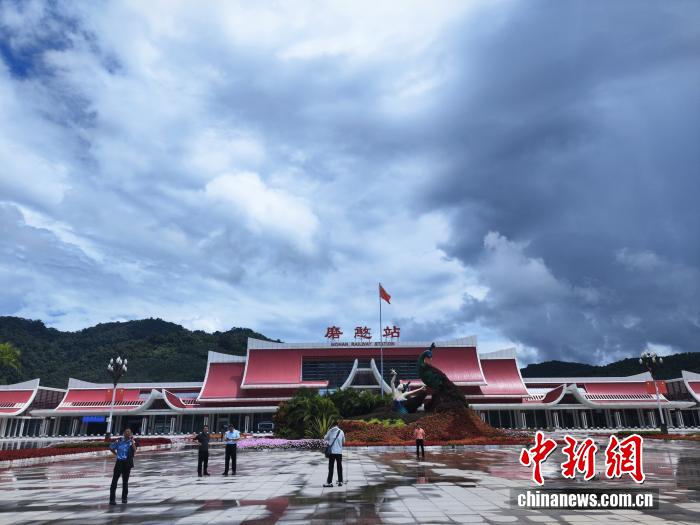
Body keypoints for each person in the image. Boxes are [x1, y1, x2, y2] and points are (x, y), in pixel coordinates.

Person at [109, 428, 137, 505]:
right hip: (119, 462)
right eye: (126, 432)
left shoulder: (131, 442)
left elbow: (135, 450)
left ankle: (124, 498)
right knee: (114, 481)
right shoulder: (119, 441)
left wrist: (132, 441)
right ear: (124, 433)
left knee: (125, 482)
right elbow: (111, 447)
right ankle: (112, 500)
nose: (128, 433)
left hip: (127, 463)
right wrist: (116, 454)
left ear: (131, 434)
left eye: (129, 432)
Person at [323, 420, 345, 487]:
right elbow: (343, 442)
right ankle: (340, 481)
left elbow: (325, 438)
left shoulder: (330, 431)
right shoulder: (341, 432)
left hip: (332, 452)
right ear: (337, 425)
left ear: (332, 425)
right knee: (339, 467)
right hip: (339, 452)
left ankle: (330, 482)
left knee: (331, 467)